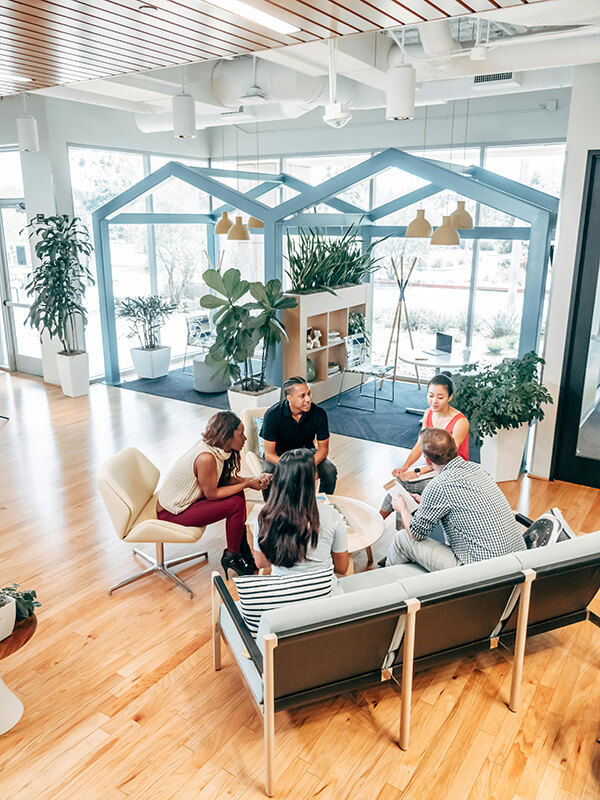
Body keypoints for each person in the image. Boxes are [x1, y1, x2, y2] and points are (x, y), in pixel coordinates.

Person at [385, 428, 526, 571]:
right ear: (454, 448)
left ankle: (389, 586)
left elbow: (416, 534)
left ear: (428, 461)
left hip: (482, 571)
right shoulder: (478, 469)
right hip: (518, 562)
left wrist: (402, 508)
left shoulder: (439, 485)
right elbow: (466, 503)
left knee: (402, 538)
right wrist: (425, 501)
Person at [157, 411, 272, 578]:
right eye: (241, 434)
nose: (245, 438)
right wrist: (247, 483)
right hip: (172, 512)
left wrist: (251, 480)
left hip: (188, 502)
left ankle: (241, 552)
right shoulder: (206, 457)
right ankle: (232, 557)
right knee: (235, 504)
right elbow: (212, 494)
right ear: (227, 436)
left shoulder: (218, 449)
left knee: (238, 496)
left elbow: (222, 479)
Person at [380, 373, 469, 524]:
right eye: (431, 395)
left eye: (440, 397)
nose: (434, 401)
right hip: (433, 469)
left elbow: (445, 458)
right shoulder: (428, 413)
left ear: (450, 397)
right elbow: (420, 444)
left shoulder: (460, 422)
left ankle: (379, 521)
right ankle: (402, 530)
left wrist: (417, 472)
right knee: (401, 480)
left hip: (451, 473)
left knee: (403, 484)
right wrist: (405, 467)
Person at [253, 449, 349, 576]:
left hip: (282, 593)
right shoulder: (332, 515)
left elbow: (261, 563)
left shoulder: (265, 516)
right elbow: (342, 568)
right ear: (314, 477)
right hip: (324, 592)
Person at [260, 376, 338, 494]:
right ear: (289, 398)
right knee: (268, 475)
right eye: (302, 396)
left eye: (309, 394)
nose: (308, 399)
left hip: (307, 454)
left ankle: (324, 505)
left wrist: (307, 466)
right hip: (280, 456)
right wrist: (292, 467)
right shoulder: (272, 415)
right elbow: (269, 454)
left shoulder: (319, 414)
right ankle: (272, 510)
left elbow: (323, 450)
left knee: (330, 471)